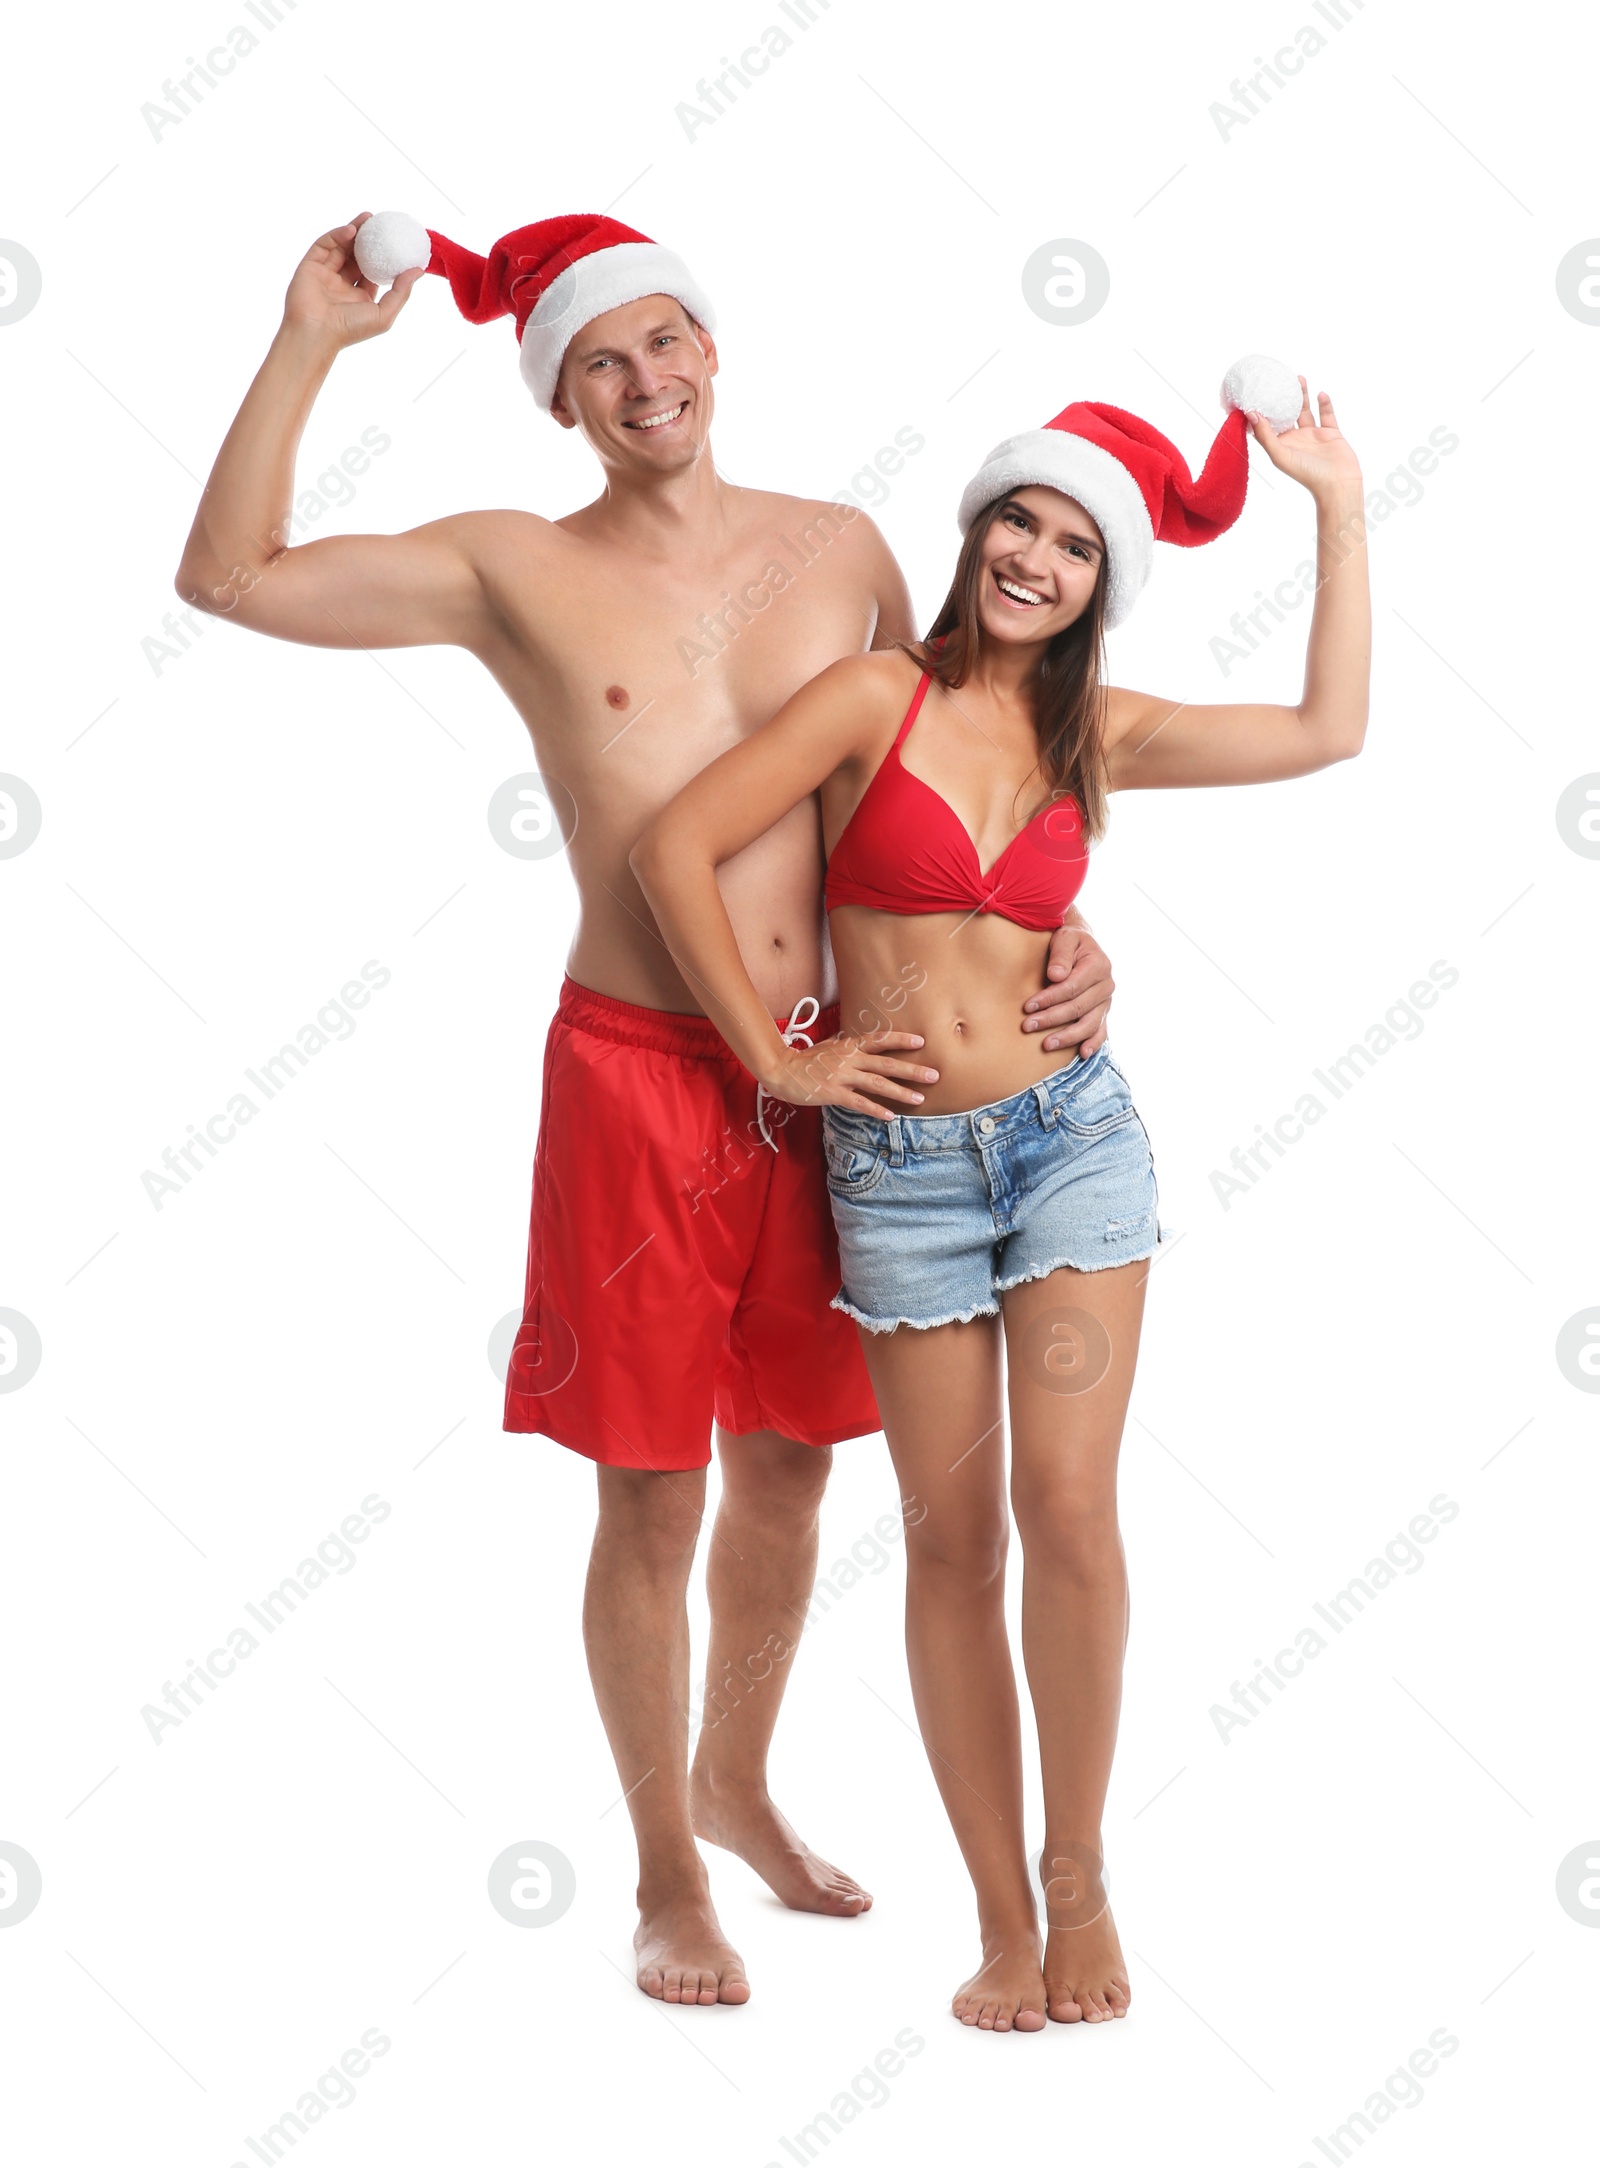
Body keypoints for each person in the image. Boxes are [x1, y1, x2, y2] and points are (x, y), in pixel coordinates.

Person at [171, 208, 1118, 2008]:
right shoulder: (514, 564)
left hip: (846, 1070)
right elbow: (229, 580)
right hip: (636, 1078)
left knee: (792, 1471)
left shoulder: (841, 551)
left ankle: (740, 1781)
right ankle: (664, 1872)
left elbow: (973, 768)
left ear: (713, 353)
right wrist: (309, 338)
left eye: (667, 340)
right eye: (604, 360)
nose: (646, 379)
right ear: (563, 399)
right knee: (652, 1495)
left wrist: (1073, 942)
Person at [633, 358, 1370, 2030]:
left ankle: (1084, 1875)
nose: (1036, 557)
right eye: (1016, 523)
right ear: (975, 535)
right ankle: (998, 1921)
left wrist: (1332, 506)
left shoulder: (1090, 732)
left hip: (1068, 1144)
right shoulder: (868, 698)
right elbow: (670, 849)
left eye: (1075, 544)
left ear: (1106, 583)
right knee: (952, 1543)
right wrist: (779, 1059)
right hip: (899, 1172)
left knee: (1071, 1511)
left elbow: (1331, 731)